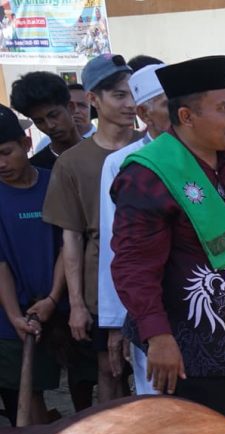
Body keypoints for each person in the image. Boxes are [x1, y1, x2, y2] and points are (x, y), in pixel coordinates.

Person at [111, 55, 225, 422]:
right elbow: (134, 265)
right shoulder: (148, 176)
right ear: (186, 117)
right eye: (223, 108)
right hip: (192, 351)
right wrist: (157, 336)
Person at [43, 53, 140, 406]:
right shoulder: (72, 162)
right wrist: (76, 304)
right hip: (101, 281)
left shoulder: (153, 147)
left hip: (153, 275)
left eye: (133, 94)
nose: (130, 104)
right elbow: (70, 237)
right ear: (93, 99)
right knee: (109, 369)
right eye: (119, 95)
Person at [97, 63, 169, 398]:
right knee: (157, 398)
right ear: (144, 113)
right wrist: (117, 322)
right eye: (167, 105)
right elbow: (115, 248)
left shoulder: (205, 155)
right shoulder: (122, 163)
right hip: (147, 302)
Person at [0, 104, 65, 425]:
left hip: (60, 307)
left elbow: (68, 246)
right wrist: (14, 316)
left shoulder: (55, 183)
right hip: (10, 315)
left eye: (5, 152)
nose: (1, 164)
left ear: (26, 143)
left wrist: (53, 298)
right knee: (26, 396)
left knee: (74, 379)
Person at [10, 72, 83, 172]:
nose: (50, 125)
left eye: (54, 115)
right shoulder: (34, 170)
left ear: (71, 107)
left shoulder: (101, 153)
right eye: (39, 121)